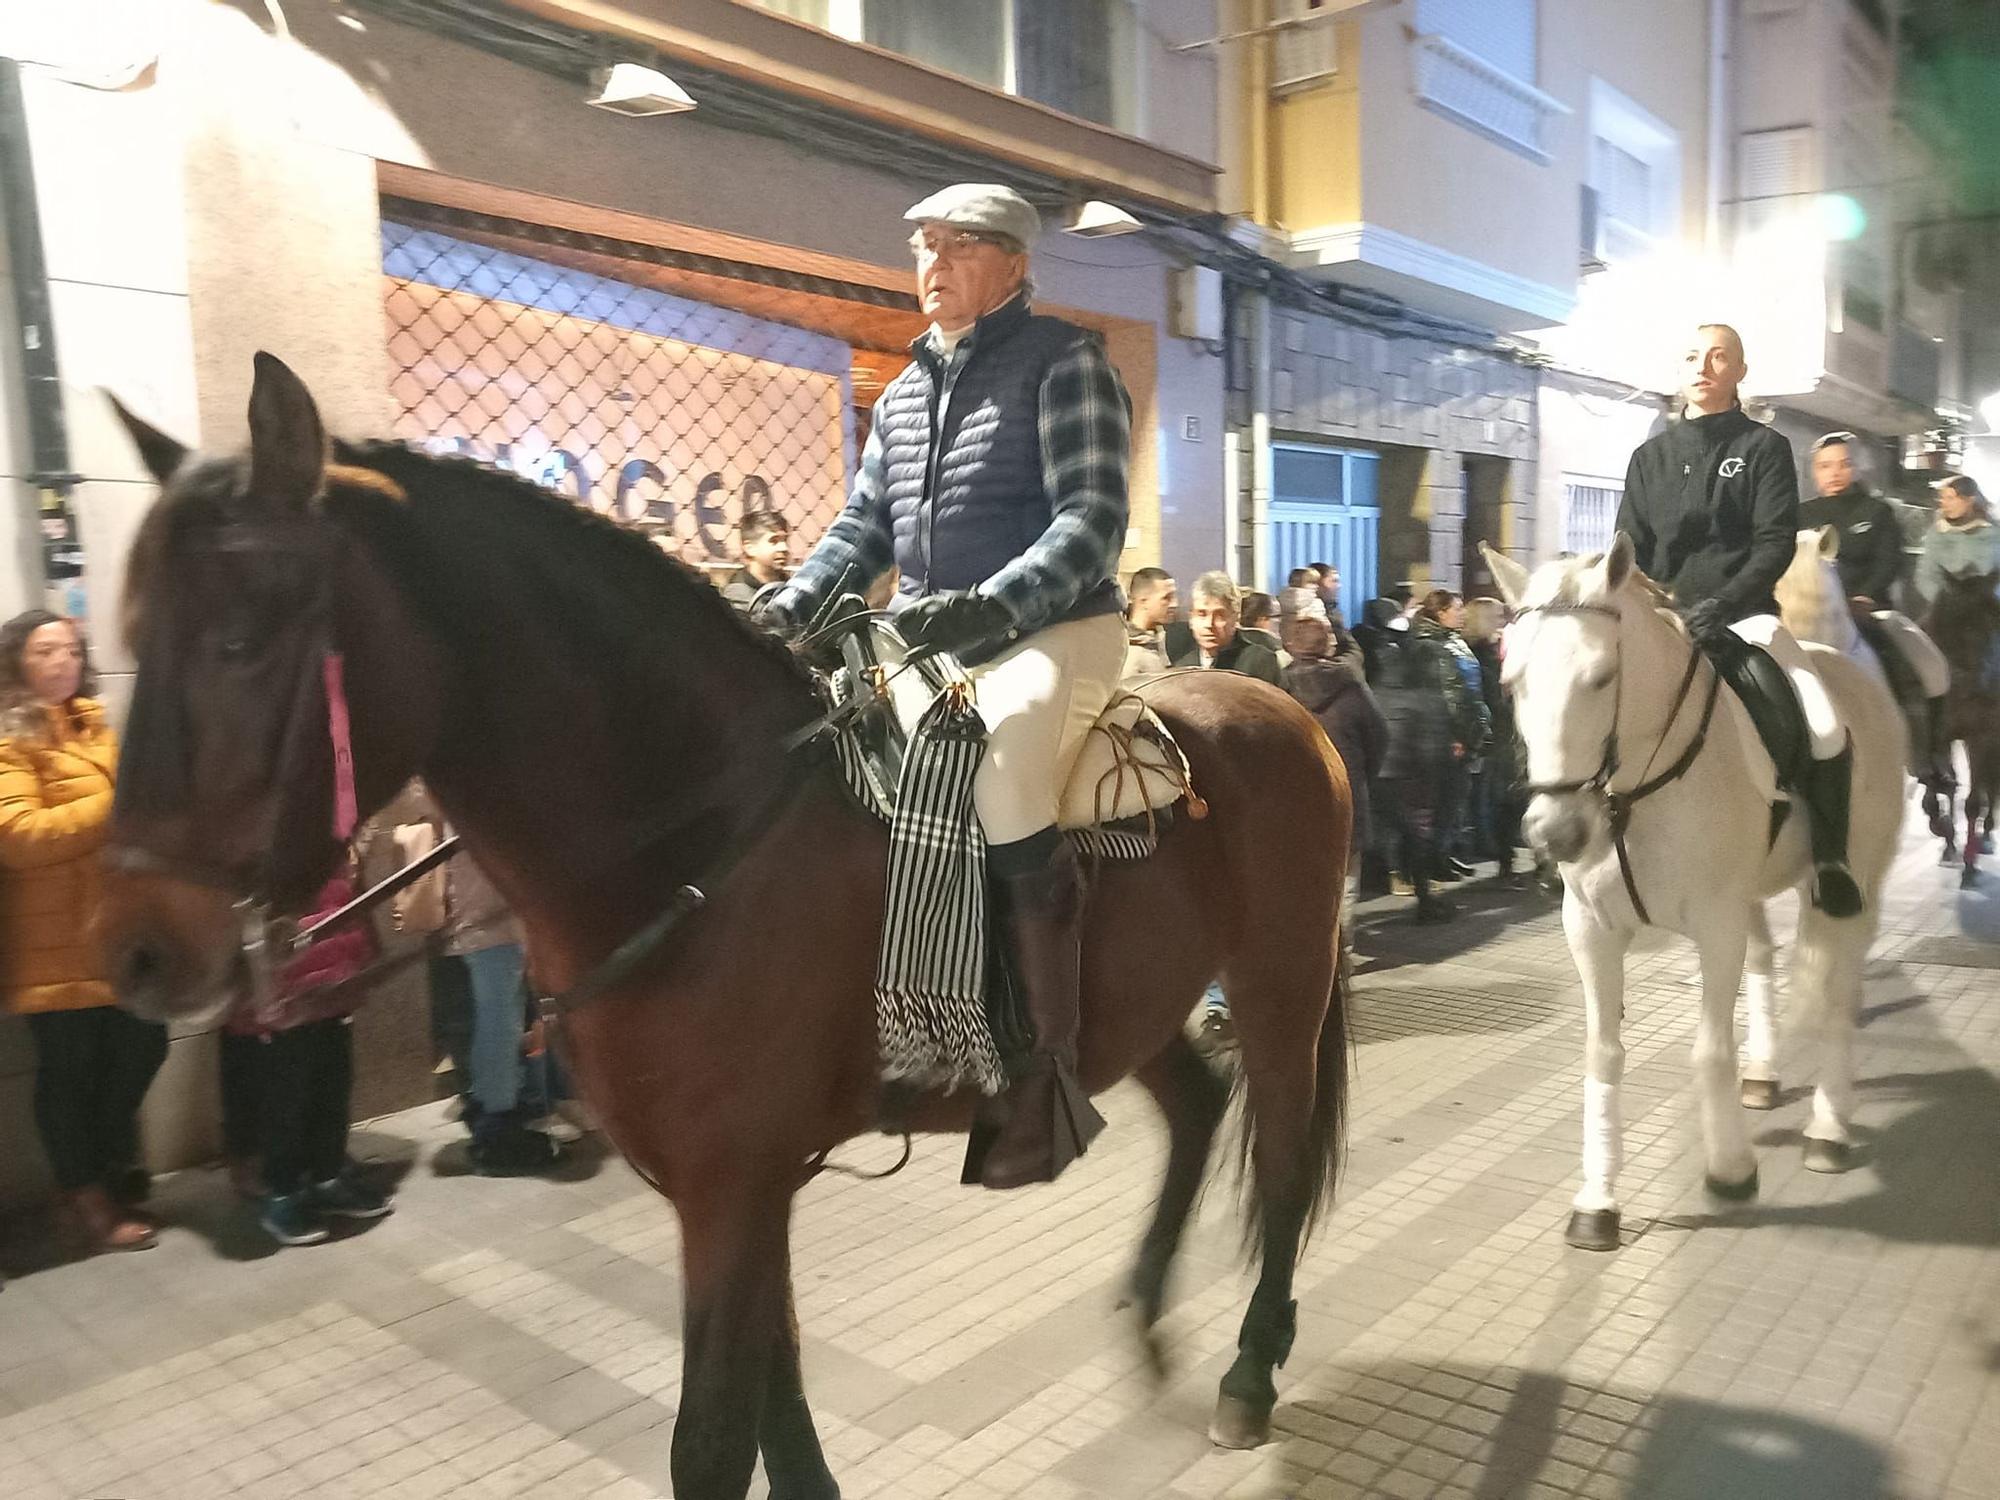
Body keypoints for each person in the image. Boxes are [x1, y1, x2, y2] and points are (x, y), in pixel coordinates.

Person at [762, 183, 1130, 1188]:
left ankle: (1043, 1073)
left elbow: (1089, 519)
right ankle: (891, 1026)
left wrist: (990, 607)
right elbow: (861, 531)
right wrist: (783, 611)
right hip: (926, 634)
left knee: (1005, 776)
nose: (933, 262)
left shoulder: (1066, 362)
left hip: (1055, 629)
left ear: (1013, 264)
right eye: (924, 245)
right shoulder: (905, 389)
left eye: (959, 245)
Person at [1615, 323, 1862, 916]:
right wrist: (1656, 607)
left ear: (1740, 372)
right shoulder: (1648, 457)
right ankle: (1586, 842)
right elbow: (1631, 545)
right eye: (1693, 355)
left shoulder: (1763, 449)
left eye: (1719, 356)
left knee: (1824, 724)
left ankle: (1829, 859)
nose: (1703, 365)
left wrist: (1723, 604)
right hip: (1664, 620)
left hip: (1745, 618)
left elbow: (1774, 541)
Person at [0, 610, 168, 1253]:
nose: (61, 661)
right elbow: (18, 838)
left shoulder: (95, 727)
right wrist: (114, 809)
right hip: (50, 944)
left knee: (141, 1047)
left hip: (111, 934)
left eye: (70, 649)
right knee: (69, 1071)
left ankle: (90, 1179)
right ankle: (90, 1198)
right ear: (18, 661)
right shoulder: (14, 737)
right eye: (45, 651)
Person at [229, 850, 395, 1246]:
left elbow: (347, 885)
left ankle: (328, 1174)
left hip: (332, 970)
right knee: (284, 1097)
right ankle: (283, 1190)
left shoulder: (325, 811)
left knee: (332, 1084)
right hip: (279, 978)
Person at [1803, 433, 1952, 792]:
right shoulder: (1801, 514)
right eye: (1825, 466)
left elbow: (1889, 560)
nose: (1834, 472)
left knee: (1922, 666)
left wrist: (1866, 596)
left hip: (1867, 612)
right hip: (1808, 616)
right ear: (1814, 472)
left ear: (1855, 467)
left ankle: (1929, 755)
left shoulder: (1877, 511)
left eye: (1843, 464)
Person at [1281, 615, 1387, 942]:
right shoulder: (1351, 686)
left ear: (1290, 646)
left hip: (1293, 801)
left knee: (1300, 879)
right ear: (1328, 644)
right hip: (1346, 794)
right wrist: (1363, 775)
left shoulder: (1276, 688)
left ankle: (1306, 953)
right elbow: (1379, 735)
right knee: (1345, 881)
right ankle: (1340, 954)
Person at [1409, 590, 1490, 877]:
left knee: (1456, 799)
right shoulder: (1430, 644)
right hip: (1447, 736)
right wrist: (1456, 736)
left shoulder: (1453, 640)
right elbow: (1447, 695)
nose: (1462, 613)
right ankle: (1434, 859)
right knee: (1443, 800)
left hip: (1466, 730)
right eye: (1456, 608)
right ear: (1440, 612)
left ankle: (1445, 851)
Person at [1461, 597, 1524, 878]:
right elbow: (1485, 697)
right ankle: (1502, 855)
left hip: (1503, 731)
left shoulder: (1493, 649)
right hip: (1494, 734)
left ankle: (1505, 854)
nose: (1503, 619)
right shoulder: (1474, 654)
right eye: (1497, 615)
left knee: (1505, 797)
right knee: (1500, 798)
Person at [1174, 572, 1282, 684]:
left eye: (1219, 615)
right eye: (1202, 614)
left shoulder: (1260, 662)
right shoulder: (1183, 668)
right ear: (1191, 618)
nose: (1209, 624)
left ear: (1235, 617)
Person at [1916, 475, 2000, 603]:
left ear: (1969, 500)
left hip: (1987, 607)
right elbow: (1927, 575)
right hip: (1946, 607)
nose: (1944, 503)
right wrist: (1945, 602)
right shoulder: (1938, 532)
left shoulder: (1993, 533)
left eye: (1950, 498)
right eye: (1942, 498)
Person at [720, 509, 791, 612]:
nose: (784, 548)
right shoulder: (737, 595)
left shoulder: (790, 585)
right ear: (750, 548)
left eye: (785, 540)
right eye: (774, 541)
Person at [1122, 566, 1178, 679]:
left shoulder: (1169, 642)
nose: (1174, 604)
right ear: (1144, 601)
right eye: (1166, 598)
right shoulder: (1127, 654)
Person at [1239, 592, 1285, 661]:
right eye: (1278, 616)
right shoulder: (1277, 653)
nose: (1281, 620)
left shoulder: (1227, 646)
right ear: (1261, 619)